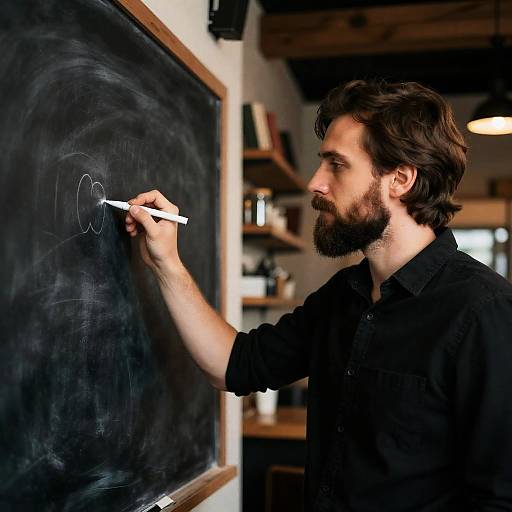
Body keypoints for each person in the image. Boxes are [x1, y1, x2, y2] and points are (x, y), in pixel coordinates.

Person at [125, 80, 512, 511]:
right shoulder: (342, 295)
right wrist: (166, 263)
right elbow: (235, 365)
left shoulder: (485, 312)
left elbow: (499, 499)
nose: (315, 183)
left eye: (336, 165)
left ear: (400, 179)